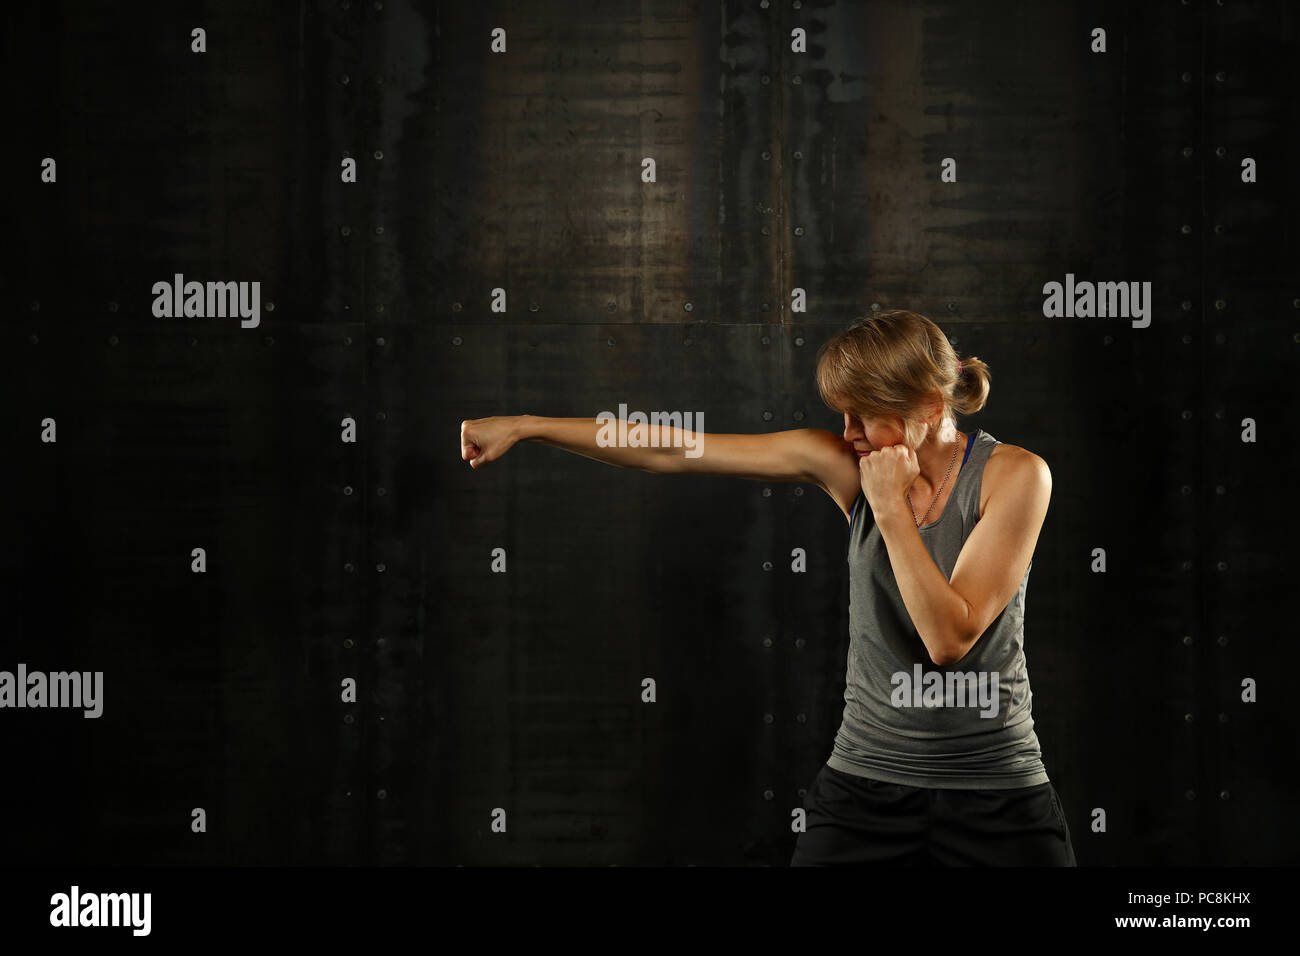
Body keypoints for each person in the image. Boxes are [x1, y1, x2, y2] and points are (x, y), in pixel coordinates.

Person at [459, 309, 1075, 866]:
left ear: (931, 410)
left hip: (996, 788)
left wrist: (889, 512)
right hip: (863, 785)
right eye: (842, 413)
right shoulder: (846, 464)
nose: (849, 432)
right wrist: (529, 425)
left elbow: (948, 638)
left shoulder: (1015, 475)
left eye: (865, 415)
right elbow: (674, 449)